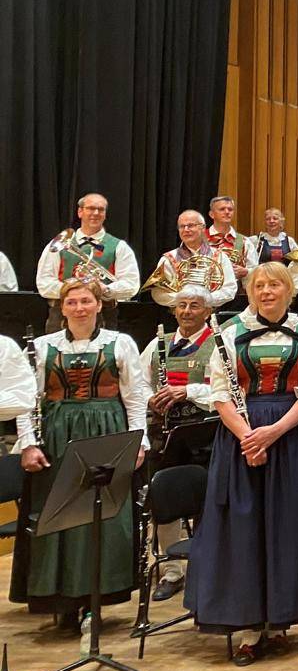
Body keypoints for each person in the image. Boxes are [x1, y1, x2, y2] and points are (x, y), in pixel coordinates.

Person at [185, 262, 298, 663]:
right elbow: (220, 394)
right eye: (259, 286)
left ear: (289, 291)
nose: (266, 291)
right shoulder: (229, 334)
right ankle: (249, 626)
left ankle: (280, 621)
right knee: (243, 527)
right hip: (241, 437)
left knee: (287, 524)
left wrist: (272, 433)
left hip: (292, 435)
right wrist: (249, 436)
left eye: (275, 285)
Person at [10, 278, 149, 629]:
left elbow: (134, 398)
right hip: (58, 437)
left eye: (86, 301)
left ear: (100, 305)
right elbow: (28, 401)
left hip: (107, 431)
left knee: (100, 516)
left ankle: (95, 600)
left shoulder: (121, 344)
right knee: (58, 514)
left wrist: (139, 443)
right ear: (62, 307)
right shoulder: (41, 346)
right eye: (72, 302)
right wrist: (28, 443)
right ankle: (62, 600)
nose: (79, 308)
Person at [138, 287, 221, 602]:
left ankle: (208, 566)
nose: (187, 311)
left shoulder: (218, 344)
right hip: (166, 433)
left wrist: (187, 391)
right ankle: (172, 571)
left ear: (208, 312)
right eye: (181, 306)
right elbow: (139, 380)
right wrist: (152, 397)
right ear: (174, 312)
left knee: (208, 501)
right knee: (165, 499)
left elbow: (226, 388)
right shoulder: (157, 344)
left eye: (194, 306)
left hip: (206, 434)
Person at [35, 193, 140, 329]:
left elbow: (132, 285)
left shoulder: (120, 247)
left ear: (105, 214)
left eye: (101, 210)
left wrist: (105, 290)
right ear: (80, 212)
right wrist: (75, 291)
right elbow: (44, 283)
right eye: (90, 208)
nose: (95, 213)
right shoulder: (59, 244)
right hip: (62, 317)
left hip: (104, 316)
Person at [148, 208, 237, 308]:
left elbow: (230, 289)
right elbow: (158, 293)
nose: (186, 230)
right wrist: (185, 299)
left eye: (190, 225)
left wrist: (204, 299)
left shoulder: (220, 256)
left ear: (203, 228)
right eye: (182, 226)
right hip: (177, 316)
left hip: (212, 314)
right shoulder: (168, 258)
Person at [208, 195, 258, 288]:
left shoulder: (244, 241)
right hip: (203, 295)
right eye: (222, 209)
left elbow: (256, 270)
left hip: (235, 296)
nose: (227, 212)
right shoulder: (198, 239)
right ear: (212, 214)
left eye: (230, 209)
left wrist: (246, 272)